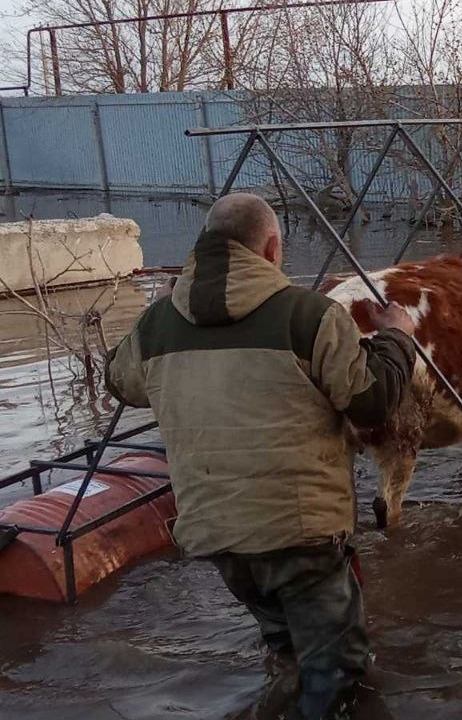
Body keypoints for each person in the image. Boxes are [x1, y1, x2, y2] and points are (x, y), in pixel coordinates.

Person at [104, 193, 417, 720]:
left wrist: (163, 314)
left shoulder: (157, 324)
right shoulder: (311, 316)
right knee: (340, 674)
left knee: (290, 651)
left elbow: (121, 383)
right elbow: (373, 401)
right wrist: (396, 338)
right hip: (300, 533)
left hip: (219, 537)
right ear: (272, 247)